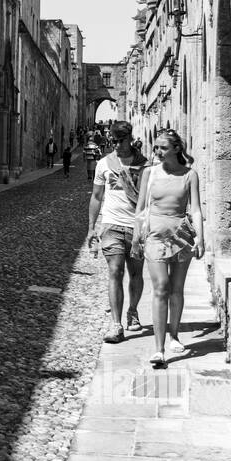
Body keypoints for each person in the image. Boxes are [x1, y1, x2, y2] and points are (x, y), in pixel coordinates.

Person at [131, 129, 205, 368]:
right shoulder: (149, 174)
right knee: (161, 288)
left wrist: (201, 239)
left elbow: (195, 209)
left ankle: (174, 335)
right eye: (156, 148)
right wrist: (135, 239)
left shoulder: (190, 175)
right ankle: (159, 349)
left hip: (181, 235)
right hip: (155, 236)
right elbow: (140, 208)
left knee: (176, 289)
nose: (158, 152)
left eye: (163, 147)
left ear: (176, 149)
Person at [87, 121, 148, 342]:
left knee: (136, 274)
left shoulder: (144, 165)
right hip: (111, 225)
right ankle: (116, 324)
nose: (118, 145)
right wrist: (91, 228)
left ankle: (132, 310)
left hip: (137, 227)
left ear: (130, 138)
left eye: (122, 140)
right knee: (115, 273)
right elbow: (96, 197)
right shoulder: (104, 164)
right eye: (114, 141)